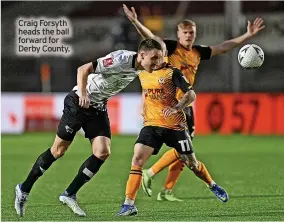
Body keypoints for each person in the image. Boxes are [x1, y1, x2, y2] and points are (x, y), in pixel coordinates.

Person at [123, 4, 265, 202]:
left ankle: (164, 187)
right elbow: (152, 39)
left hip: (184, 105)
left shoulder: (198, 52)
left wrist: (246, 36)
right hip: (165, 104)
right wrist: (135, 21)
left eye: (191, 32)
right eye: (185, 32)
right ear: (178, 34)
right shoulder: (170, 48)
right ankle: (153, 175)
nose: (188, 36)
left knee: (186, 153)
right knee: (182, 151)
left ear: (195, 34)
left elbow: (224, 47)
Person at [14, 39, 163, 217]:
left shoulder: (144, 66)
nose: (157, 63)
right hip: (78, 103)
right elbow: (83, 69)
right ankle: (24, 189)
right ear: (141, 55)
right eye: (154, 58)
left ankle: (69, 194)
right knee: (58, 151)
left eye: (159, 59)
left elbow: (159, 45)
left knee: (102, 151)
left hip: (98, 108)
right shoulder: (121, 59)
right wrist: (83, 93)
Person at [118, 60, 197, 216]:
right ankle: (129, 204)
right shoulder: (145, 68)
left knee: (189, 159)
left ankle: (209, 184)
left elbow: (191, 93)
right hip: (154, 121)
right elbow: (145, 89)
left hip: (177, 117)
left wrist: (177, 108)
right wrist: (143, 105)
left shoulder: (174, 69)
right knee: (137, 158)